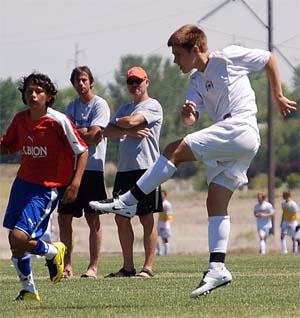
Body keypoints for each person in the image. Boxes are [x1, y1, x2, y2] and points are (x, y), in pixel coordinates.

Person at [90, 24, 297, 297]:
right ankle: (217, 268)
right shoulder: (196, 81)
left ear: (196, 49)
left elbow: (269, 58)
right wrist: (189, 112)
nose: (175, 60)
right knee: (215, 201)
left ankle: (129, 201)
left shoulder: (228, 56)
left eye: (178, 54)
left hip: (240, 129)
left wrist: (278, 94)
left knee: (173, 149)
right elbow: (191, 120)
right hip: (235, 144)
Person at [1, 72, 88, 301]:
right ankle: (28, 289)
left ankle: (53, 251)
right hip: (22, 184)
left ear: (48, 96)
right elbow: (8, 146)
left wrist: (75, 183)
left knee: (19, 237)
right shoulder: (21, 120)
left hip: (46, 188)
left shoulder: (58, 121)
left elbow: (82, 150)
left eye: (38, 91)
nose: (33, 94)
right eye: (29, 90)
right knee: (14, 241)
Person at [91, 66, 163, 278]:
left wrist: (123, 124)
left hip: (147, 168)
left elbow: (129, 121)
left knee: (146, 217)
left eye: (138, 81)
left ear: (146, 82)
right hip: (124, 170)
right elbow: (107, 132)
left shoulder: (153, 105)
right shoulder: (124, 106)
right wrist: (128, 129)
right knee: (121, 218)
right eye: (130, 82)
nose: (134, 86)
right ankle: (128, 267)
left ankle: (147, 268)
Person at [57, 66, 110, 279]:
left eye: (84, 79)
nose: (81, 84)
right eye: (77, 80)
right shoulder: (71, 107)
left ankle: (93, 267)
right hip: (70, 169)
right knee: (64, 218)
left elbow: (94, 135)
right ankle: (67, 266)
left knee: (93, 218)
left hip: (93, 169)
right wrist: (83, 133)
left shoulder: (100, 105)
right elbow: (65, 136)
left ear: (91, 82)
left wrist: (80, 134)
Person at [156, 190, 174, 256]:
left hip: (164, 223)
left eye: (162, 195)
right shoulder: (161, 203)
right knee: (155, 237)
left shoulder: (166, 204)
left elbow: (169, 214)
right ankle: (159, 252)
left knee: (164, 239)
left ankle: (166, 253)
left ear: (165, 195)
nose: (161, 196)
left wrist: (166, 222)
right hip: (160, 222)